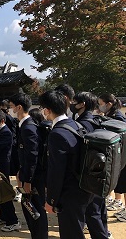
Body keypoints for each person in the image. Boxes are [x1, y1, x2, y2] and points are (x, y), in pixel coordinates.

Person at [40, 90, 94, 239]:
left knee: (71, 233)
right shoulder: (75, 124)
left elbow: (56, 171)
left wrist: (51, 200)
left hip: (70, 193)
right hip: (83, 187)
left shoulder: (57, 133)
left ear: (47, 110)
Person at [71, 92, 112, 238]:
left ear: (82, 104)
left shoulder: (82, 124)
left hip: (89, 176)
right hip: (100, 173)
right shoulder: (96, 120)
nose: (72, 104)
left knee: (92, 214)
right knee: (99, 210)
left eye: (75, 101)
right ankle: (105, 233)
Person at [9, 93, 48, 239]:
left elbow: (32, 157)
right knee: (31, 210)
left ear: (19, 107)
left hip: (34, 178)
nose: (11, 109)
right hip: (29, 176)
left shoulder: (28, 128)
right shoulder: (26, 125)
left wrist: (28, 181)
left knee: (35, 211)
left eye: (12, 107)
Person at [0, 109, 21, 232]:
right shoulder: (0, 131)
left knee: (4, 193)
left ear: (2, 121)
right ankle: (3, 216)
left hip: (3, 166)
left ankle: (13, 221)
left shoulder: (6, 133)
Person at [98, 93, 126, 222]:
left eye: (101, 103)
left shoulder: (117, 117)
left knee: (124, 184)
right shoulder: (110, 115)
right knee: (120, 184)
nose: (100, 106)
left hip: (123, 153)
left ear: (109, 104)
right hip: (118, 154)